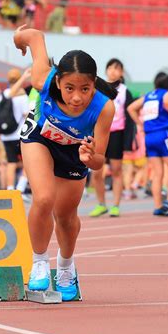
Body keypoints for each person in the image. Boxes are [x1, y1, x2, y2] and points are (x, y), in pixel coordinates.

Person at [14, 25, 116, 301]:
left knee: (66, 216)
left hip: (74, 152)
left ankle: (66, 268)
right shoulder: (42, 79)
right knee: (44, 199)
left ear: (94, 84)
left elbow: (98, 161)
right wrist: (18, 40)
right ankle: (38, 263)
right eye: (70, 88)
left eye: (85, 89)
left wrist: (89, 156)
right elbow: (35, 36)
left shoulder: (104, 107)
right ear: (58, 82)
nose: (77, 97)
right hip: (40, 139)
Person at [128, 75, 168, 216]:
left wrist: (140, 124)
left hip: (149, 137)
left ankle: (158, 206)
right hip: (165, 135)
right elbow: (167, 101)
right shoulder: (166, 94)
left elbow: (131, 108)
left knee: (158, 173)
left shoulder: (148, 96)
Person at [89, 58, 134, 218]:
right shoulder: (97, 89)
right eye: (110, 68)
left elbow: (129, 119)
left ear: (121, 73)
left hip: (116, 134)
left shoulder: (124, 91)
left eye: (117, 69)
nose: (113, 71)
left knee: (116, 170)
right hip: (98, 133)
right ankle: (101, 204)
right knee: (96, 171)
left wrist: (128, 141)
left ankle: (115, 205)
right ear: (106, 70)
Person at [0, 68, 30, 198]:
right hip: (20, 134)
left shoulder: (2, 95)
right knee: (28, 162)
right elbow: (26, 115)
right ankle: (20, 189)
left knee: (11, 163)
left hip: (5, 135)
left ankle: (10, 189)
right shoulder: (21, 96)